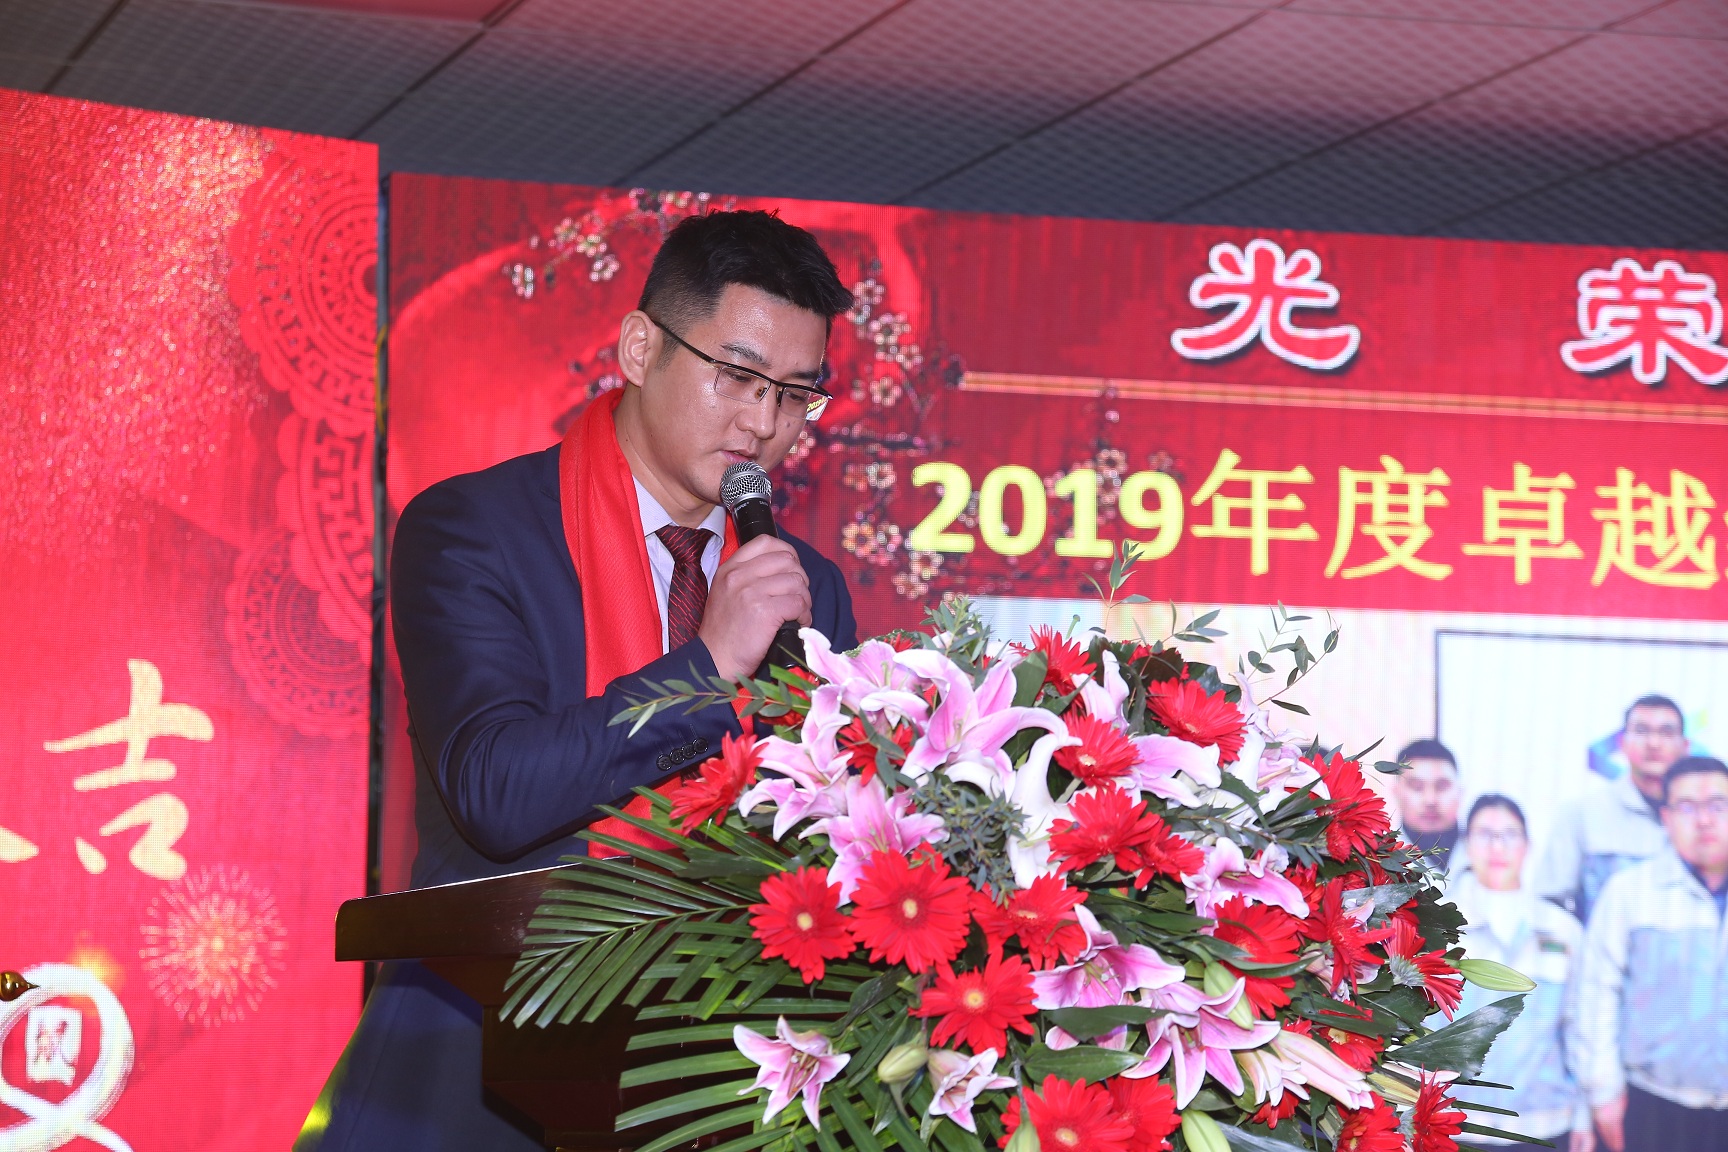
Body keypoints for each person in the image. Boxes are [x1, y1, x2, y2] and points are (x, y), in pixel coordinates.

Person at [296, 211, 860, 1150]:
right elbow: (498, 791)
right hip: (471, 1075)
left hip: (706, 1086)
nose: (763, 424)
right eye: (736, 376)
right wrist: (708, 668)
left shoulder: (806, 589)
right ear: (641, 348)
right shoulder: (474, 531)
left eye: (796, 394)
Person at [1572, 756, 1728, 1152]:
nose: (1704, 820)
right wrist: (1602, 1094)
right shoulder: (1630, 893)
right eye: (1688, 807)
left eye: (1717, 805)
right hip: (1653, 1105)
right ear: (1666, 817)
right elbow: (1596, 995)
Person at [1449, 795, 1592, 1152]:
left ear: (1527, 845)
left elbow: (1581, 1028)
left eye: (1510, 835)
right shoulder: (1439, 928)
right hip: (1453, 1123)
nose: (1498, 847)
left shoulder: (1562, 930)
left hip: (1543, 1123)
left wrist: (1584, 1116)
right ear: (1467, 844)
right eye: (1485, 834)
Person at [1537, 696, 1689, 923]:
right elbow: (1547, 904)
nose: (1654, 743)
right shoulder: (1581, 814)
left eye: (1666, 733)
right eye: (1641, 731)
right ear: (1622, 743)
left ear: (1685, 746)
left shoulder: (1707, 820)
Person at [1394, 738, 1463, 871]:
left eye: (1441, 786)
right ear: (1396, 792)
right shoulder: (1374, 857)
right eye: (1417, 787)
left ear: (1460, 793)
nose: (1430, 800)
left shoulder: (1492, 853)